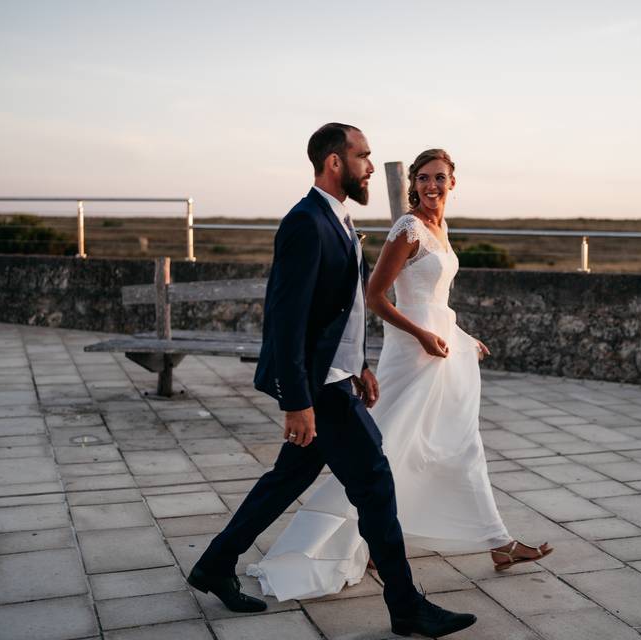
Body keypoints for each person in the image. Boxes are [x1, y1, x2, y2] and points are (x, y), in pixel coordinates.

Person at [187, 125, 477, 638]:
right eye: (362, 156)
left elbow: (339, 312)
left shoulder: (339, 219)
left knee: (286, 481)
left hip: (339, 379)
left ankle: (214, 564)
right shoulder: (305, 222)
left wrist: (360, 365)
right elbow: (285, 318)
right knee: (376, 482)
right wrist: (296, 402)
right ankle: (405, 606)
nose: (370, 164)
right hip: (320, 391)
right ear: (335, 163)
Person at [248, 148, 552, 601]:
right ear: (414, 182)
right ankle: (357, 538)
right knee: (388, 447)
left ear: (453, 182)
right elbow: (376, 297)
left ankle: (499, 543)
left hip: (442, 351)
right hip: (412, 355)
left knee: (460, 445)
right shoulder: (408, 228)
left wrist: (462, 336)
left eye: (440, 178)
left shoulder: (441, 228)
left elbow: (433, 300)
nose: (432, 186)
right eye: (425, 178)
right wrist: (424, 337)